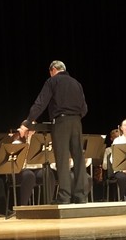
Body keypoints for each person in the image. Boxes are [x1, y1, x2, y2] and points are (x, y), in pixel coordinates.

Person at [18, 59, 88, 205]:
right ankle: (81, 196)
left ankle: (65, 196)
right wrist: (75, 117)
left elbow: (41, 103)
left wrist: (28, 122)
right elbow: (84, 108)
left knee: (62, 159)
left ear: (53, 70)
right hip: (77, 122)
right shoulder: (77, 83)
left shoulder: (52, 81)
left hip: (61, 122)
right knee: (78, 158)